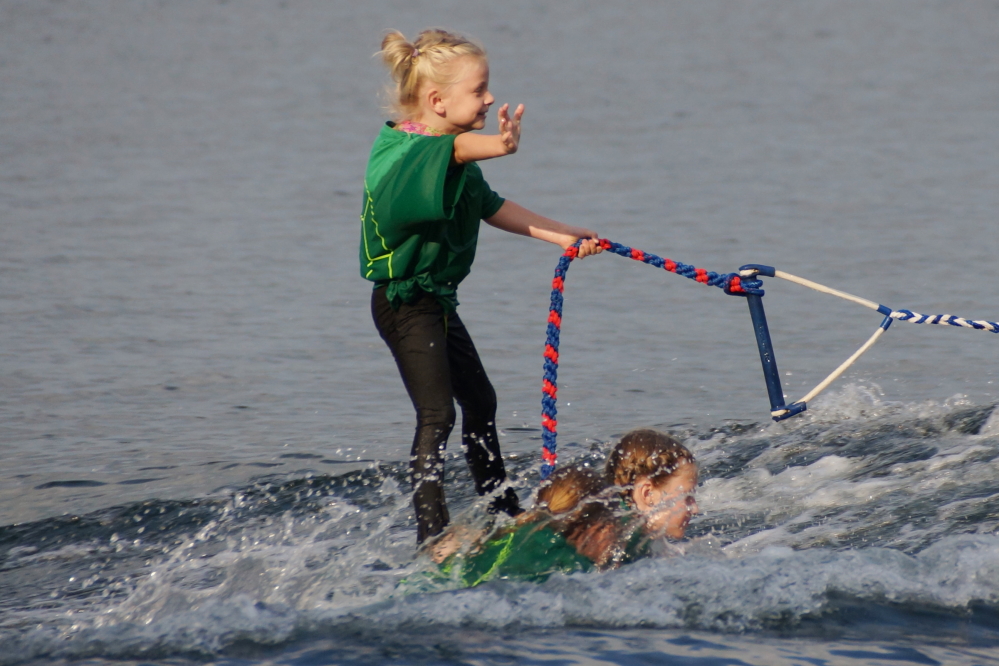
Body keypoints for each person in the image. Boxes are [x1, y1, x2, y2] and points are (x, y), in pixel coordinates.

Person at [361, 28, 603, 545]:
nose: (489, 98)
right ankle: (432, 539)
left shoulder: (450, 157)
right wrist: (502, 144)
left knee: (483, 403)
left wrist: (564, 234)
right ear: (437, 101)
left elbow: (491, 207)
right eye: (479, 90)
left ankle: (503, 509)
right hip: (404, 305)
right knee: (437, 414)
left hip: (437, 302)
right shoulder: (404, 153)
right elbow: (456, 150)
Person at [431, 430, 699, 586]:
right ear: (647, 493)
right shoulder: (621, 537)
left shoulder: (602, 516)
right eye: (687, 497)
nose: (695, 508)